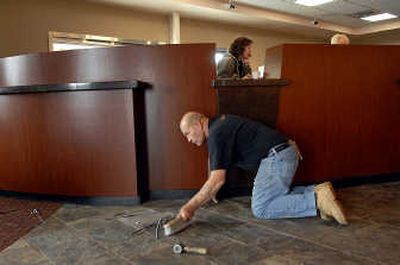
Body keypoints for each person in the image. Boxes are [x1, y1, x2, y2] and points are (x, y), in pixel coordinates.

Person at [177, 111, 348, 225]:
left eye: (187, 133)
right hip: (284, 152)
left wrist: (190, 207)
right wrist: (210, 191)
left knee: (261, 208)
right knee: (276, 196)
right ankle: (319, 189)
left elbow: (217, 179)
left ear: (198, 124)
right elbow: (215, 165)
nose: (188, 140)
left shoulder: (216, 134)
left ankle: (316, 200)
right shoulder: (220, 124)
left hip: (276, 157)